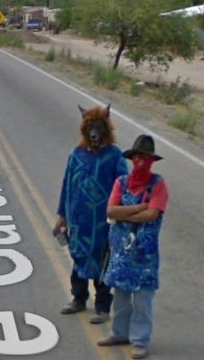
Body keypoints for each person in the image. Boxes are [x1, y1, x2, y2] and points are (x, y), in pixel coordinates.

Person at [53, 104, 128, 324]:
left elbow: (124, 186)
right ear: (85, 131)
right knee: (79, 258)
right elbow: (67, 185)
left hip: (104, 222)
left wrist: (123, 217)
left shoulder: (115, 156)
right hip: (79, 220)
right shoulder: (76, 155)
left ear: (106, 129)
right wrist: (62, 217)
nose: (95, 134)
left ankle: (102, 307)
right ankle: (78, 299)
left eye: (99, 128)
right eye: (91, 129)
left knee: (103, 261)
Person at [98, 135, 169, 359]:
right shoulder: (122, 182)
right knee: (120, 296)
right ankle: (119, 333)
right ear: (132, 158)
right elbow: (110, 211)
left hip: (144, 256)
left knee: (142, 300)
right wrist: (140, 207)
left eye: (145, 157)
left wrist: (125, 214)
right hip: (121, 252)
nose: (141, 161)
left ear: (151, 160)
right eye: (138, 156)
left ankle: (140, 340)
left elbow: (153, 214)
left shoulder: (158, 184)